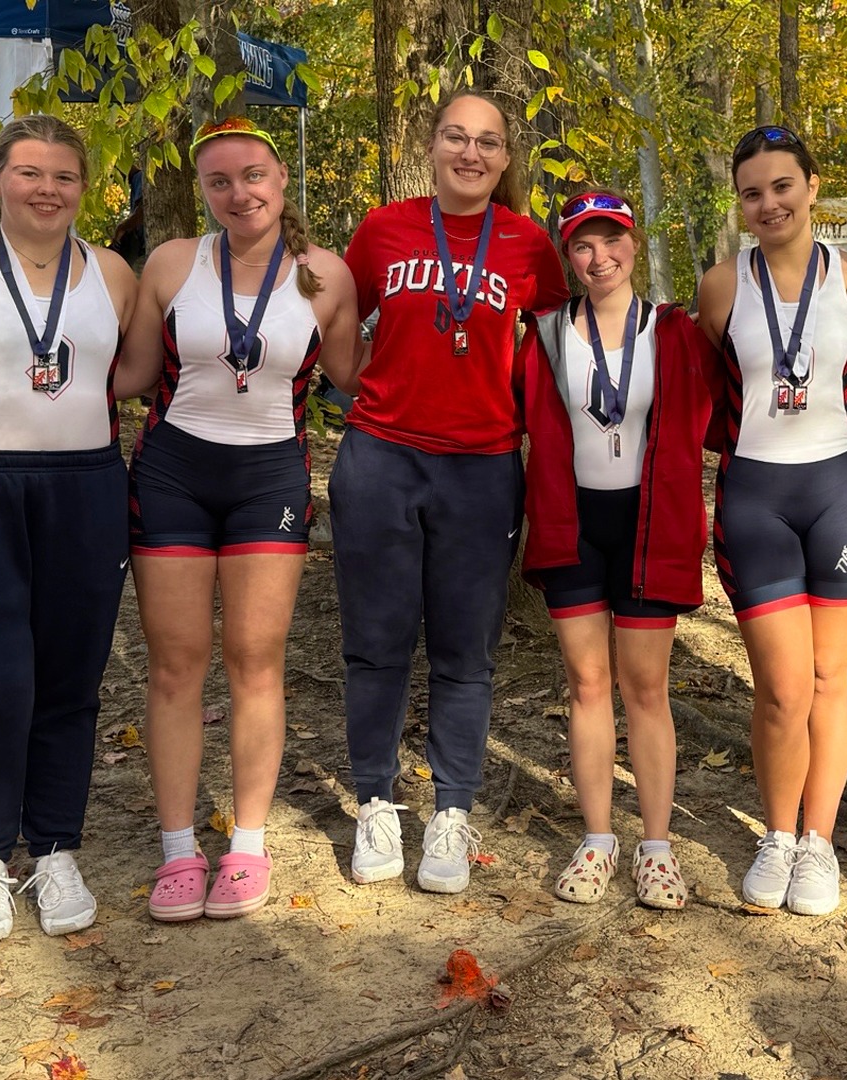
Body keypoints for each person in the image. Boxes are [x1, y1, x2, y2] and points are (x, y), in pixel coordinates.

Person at [114, 116, 360, 921]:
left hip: (269, 475)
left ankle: (247, 844)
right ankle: (180, 848)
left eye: (252, 175)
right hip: (176, 468)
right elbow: (138, 373)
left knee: (256, 660)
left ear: (281, 179)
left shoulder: (326, 273)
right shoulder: (174, 262)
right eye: (219, 181)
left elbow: (355, 376)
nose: (237, 192)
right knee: (177, 665)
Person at [337, 89, 567, 894]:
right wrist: (359, 387)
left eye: (489, 143)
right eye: (456, 138)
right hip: (382, 456)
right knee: (377, 640)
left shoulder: (529, 244)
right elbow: (339, 318)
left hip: (481, 463)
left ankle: (451, 812)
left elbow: (566, 337)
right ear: (431, 145)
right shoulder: (382, 229)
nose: (471, 154)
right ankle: (374, 800)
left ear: (507, 159)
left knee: (466, 650)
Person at [0, 115, 138, 942]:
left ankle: (53, 847)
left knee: (70, 683)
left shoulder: (113, 274)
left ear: (84, 188)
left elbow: (136, 371)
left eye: (64, 177)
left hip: (84, 486)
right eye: (29, 173)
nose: (47, 189)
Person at [694, 126, 847, 918]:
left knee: (830, 679)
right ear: (739, 205)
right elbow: (711, 389)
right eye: (751, 193)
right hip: (755, 494)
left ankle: (819, 842)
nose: (768, 203)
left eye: (781, 186)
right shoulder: (720, 285)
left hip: (839, 486)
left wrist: (836, 427)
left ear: (811, 186)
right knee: (779, 687)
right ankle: (777, 834)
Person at [520, 189, 714, 909]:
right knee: (586, 684)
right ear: (567, 257)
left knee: (646, 688)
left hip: (649, 524)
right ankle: (599, 838)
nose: (599, 257)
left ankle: (656, 848)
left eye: (611, 241)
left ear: (634, 244)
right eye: (582, 245)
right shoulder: (543, 333)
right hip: (573, 521)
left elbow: (715, 414)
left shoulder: (674, 330)